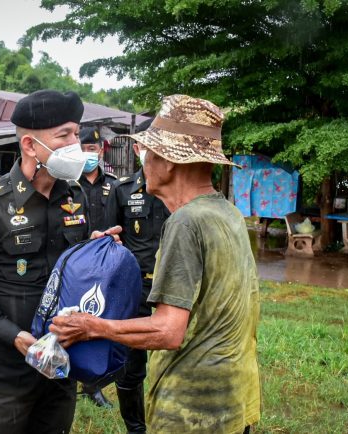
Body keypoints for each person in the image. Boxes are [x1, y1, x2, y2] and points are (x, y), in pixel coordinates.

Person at [51, 95, 261, 433]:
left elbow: (168, 330)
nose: (143, 162)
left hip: (194, 407)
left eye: (148, 153)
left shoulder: (186, 222)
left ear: (170, 162)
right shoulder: (227, 213)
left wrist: (92, 327)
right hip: (233, 395)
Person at [0, 89, 120, 434]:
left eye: (76, 132)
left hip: (62, 363)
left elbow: (72, 267)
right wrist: (13, 335)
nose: (76, 143)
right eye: (65, 135)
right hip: (7, 369)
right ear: (30, 146)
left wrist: (95, 250)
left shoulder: (76, 197)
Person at [103, 119, 170, 432]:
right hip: (137, 291)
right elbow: (110, 239)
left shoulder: (178, 193)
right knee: (131, 367)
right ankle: (136, 427)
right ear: (136, 148)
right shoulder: (122, 190)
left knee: (174, 361)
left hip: (174, 289)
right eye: (145, 146)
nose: (150, 152)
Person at [75, 125, 117, 408]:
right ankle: (64, 375)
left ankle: (93, 385)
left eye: (94, 149)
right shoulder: (66, 183)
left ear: (101, 151)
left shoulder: (113, 185)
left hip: (104, 262)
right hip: (75, 259)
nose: (90, 154)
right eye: (85, 149)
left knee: (99, 319)